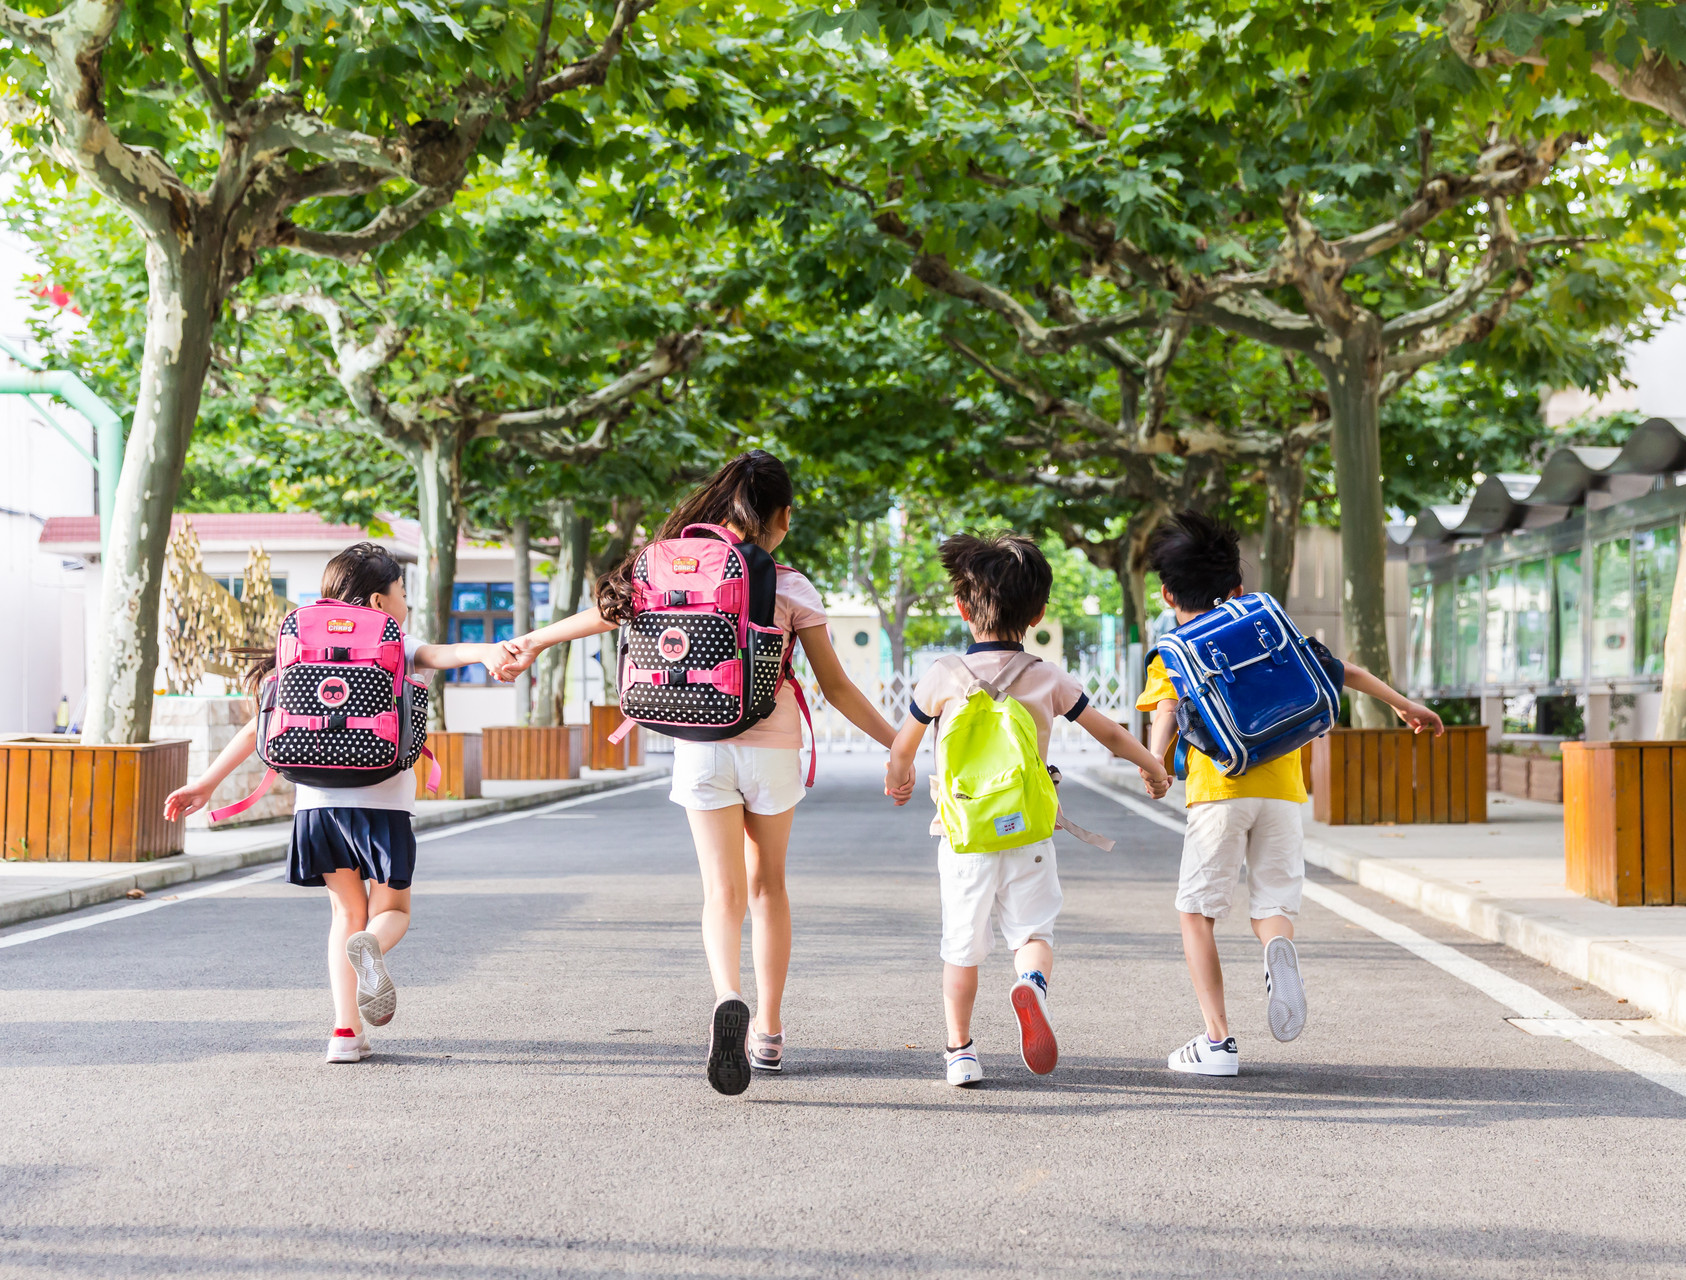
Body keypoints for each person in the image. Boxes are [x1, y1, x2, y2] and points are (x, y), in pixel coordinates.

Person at [495, 450, 899, 1096]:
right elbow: (838, 688)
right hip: (770, 746)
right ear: (783, 517)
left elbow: (605, 613)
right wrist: (903, 745)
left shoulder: (671, 568)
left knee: (721, 893)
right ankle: (766, 1029)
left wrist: (535, 642)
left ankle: (726, 996)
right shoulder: (790, 585)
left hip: (699, 744)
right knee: (768, 887)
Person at [164, 542, 512, 1064]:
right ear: (379, 598)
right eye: (401, 594)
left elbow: (259, 724)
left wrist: (206, 784)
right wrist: (486, 652)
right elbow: (446, 654)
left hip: (317, 807)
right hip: (384, 803)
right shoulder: (394, 639)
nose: (405, 605)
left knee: (344, 913)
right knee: (390, 910)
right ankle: (373, 946)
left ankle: (345, 1035)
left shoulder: (302, 643)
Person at [1138, 512, 1444, 1077]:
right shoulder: (1263, 625)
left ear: (1165, 592)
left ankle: (1218, 1042)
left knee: (1196, 913)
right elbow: (1340, 670)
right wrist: (1404, 704)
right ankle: (1277, 950)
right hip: (1283, 788)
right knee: (1273, 902)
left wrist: (1156, 767)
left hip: (1217, 790)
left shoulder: (1174, 649)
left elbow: (1167, 712)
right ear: (1237, 589)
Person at [885, 532, 1170, 1088]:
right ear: (1038, 613)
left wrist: (899, 780)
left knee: (961, 949)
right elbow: (1109, 732)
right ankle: (1031, 986)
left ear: (963, 608)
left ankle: (960, 1052)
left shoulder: (943, 675)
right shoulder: (1047, 677)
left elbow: (903, 747)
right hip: (1029, 832)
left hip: (963, 835)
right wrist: (1153, 766)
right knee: (1033, 932)